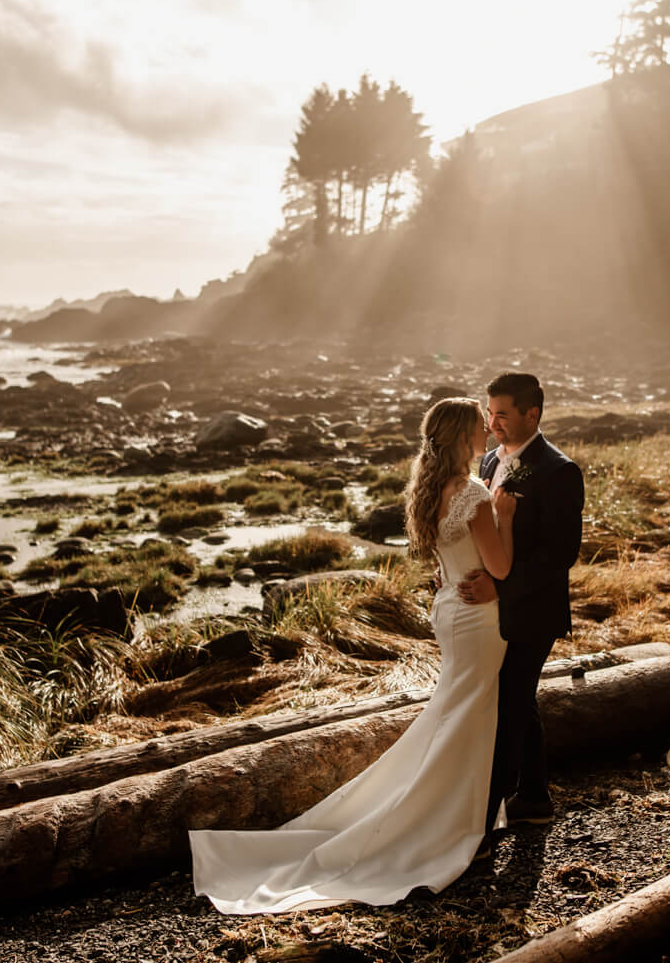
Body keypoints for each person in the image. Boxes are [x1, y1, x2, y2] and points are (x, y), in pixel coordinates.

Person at [188, 397, 516, 914]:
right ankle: (443, 822)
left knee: (455, 713)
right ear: (461, 436)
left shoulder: (431, 489)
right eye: (480, 426)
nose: (488, 433)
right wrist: (507, 517)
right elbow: (498, 566)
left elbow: (448, 561)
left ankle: (462, 812)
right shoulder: (474, 493)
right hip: (477, 616)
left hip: (450, 607)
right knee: (468, 716)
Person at [460, 372, 584, 834]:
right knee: (518, 697)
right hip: (492, 610)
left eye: (503, 415)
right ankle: (534, 796)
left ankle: (484, 816)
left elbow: (560, 555)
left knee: (508, 703)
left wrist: (502, 588)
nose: (493, 424)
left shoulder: (559, 471)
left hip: (534, 611)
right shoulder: (489, 460)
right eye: (489, 414)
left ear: (532, 414)